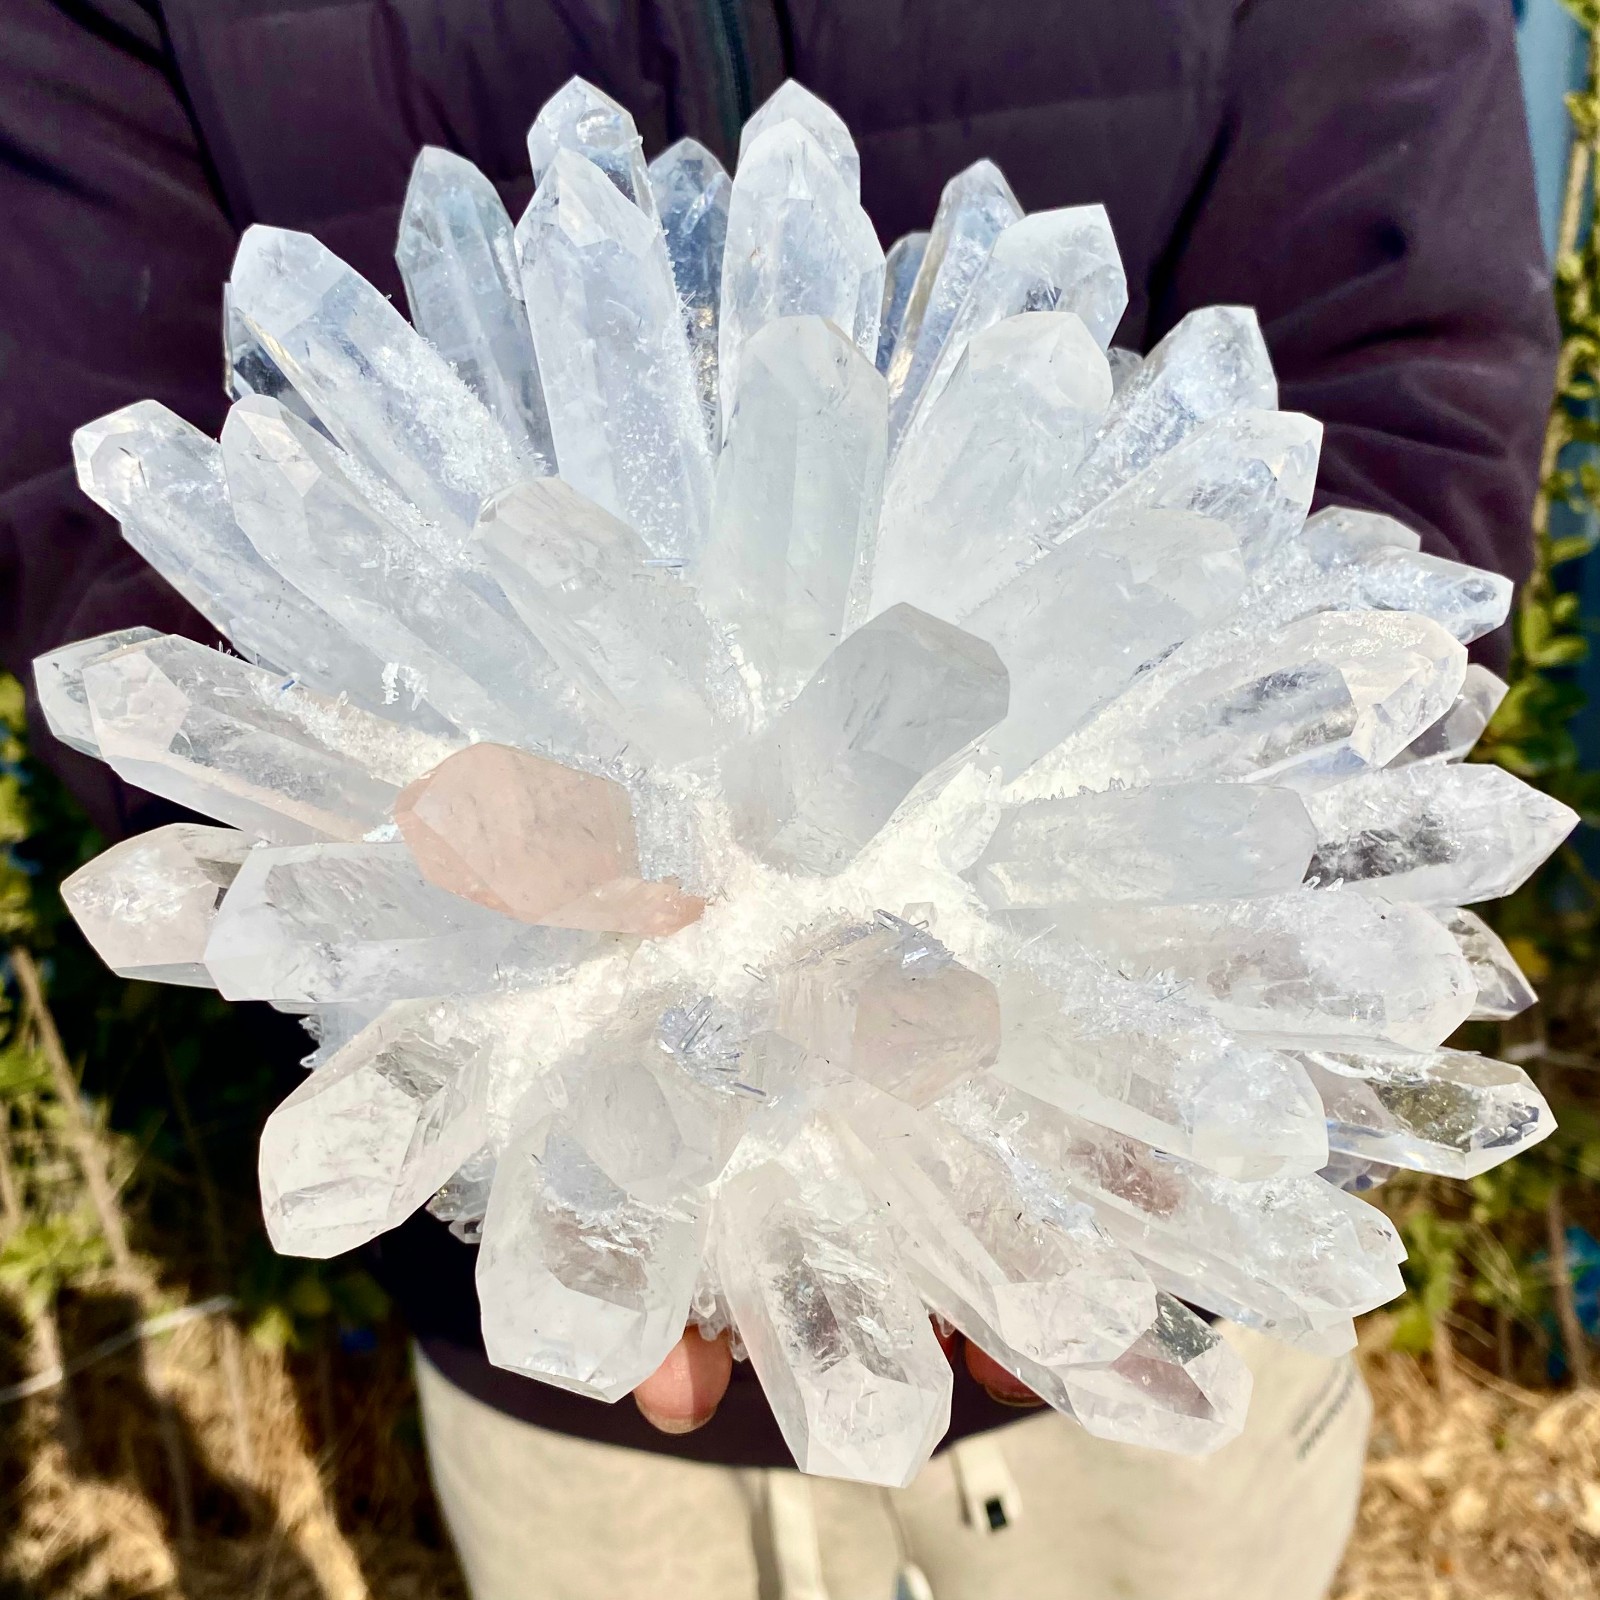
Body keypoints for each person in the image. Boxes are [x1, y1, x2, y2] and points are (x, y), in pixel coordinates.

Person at [0, 1, 1557, 1595]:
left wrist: (1262, 860)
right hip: (574, 1382)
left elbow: (1403, 363)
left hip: (1126, 1259)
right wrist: (360, 847)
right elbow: (95, 480)